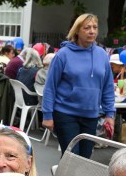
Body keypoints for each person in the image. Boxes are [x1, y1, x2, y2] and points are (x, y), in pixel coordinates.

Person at [41, 14, 116, 158]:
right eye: (87, 28)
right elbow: (50, 87)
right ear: (77, 30)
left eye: (94, 27)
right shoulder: (63, 55)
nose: (92, 31)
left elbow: (107, 87)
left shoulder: (102, 55)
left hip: (91, 115)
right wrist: (47, 115)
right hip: (66, 114)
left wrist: (109, 114)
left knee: (85, 158)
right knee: (71, 157)